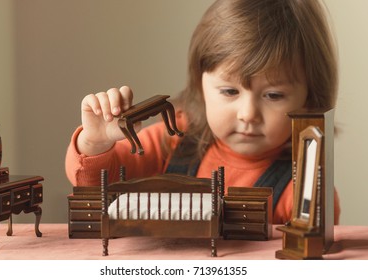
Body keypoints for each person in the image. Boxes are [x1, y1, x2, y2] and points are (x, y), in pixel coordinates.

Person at [65, 0, 340, 224]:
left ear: (309, 97)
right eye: (230, 91)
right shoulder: (172, 139)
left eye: (274, 95)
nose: (248, 114)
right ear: (201, 85)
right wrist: (96, 143)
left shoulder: (304, 185)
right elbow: (97, 188)